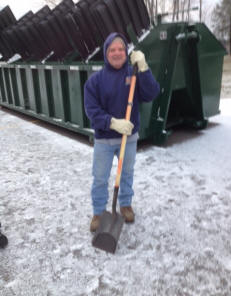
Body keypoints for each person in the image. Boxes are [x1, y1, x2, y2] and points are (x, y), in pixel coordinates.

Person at [84, 32, 160, 232]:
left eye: (120, 49)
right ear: (106, 53)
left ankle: (125, 204)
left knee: (126, 173)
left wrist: (144, 69)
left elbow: (151, 93)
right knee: (100, 177)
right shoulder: (95, 81)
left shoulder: (133, 74)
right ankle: (99, 212)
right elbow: (92, 111)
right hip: (104, 141)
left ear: (126, 52)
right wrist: (112, 123)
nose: (117, 53)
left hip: (129, 138)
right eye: (112, 49)